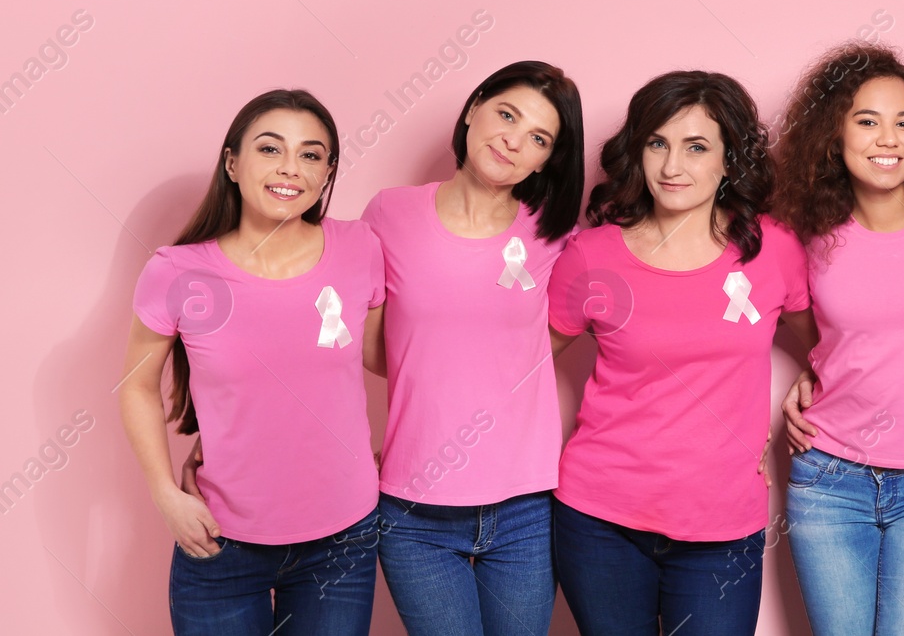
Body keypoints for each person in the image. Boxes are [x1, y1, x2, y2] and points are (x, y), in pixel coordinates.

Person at [546, 70, 820, 636]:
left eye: (697, 147)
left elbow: (834, 343)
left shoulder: (771, 249)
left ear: (728, 161)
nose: (672, 167)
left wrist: (811, 378)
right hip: (600, 517)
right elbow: (513, 366)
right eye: (657, 144)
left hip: (724, 522)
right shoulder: (590, 256)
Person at [119, 90, 385, 636]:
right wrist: (165, 491)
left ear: (328, 171)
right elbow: (136, 384)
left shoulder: (360, 248)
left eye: (311, 155)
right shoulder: (178, 272)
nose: (291, 168)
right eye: (271, 149)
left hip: (342, 541)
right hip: (220, 542)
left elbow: (385, 357)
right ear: (233, 163)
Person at [361, 61, 584, 636]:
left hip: (527, 509)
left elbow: (558, 339)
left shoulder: (555, 237)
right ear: (472, 109)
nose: (514, 140)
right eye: (506, 115)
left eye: (539, 138)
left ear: (546, 160)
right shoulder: (390, 213)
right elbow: (371, 350)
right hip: (415, 511)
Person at [773, 43, 904, 636]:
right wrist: (820, 370)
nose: (887, 138)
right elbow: (818, 334)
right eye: (867, 121)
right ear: (834, 136)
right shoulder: (805, 231)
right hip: (829, 479)